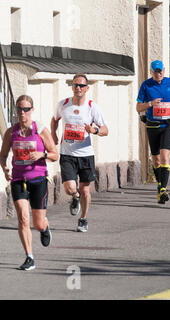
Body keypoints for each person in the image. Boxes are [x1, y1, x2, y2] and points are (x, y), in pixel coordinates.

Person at [1, 95, 58, 270]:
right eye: (19, 109)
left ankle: (44, 227)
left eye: (26, 109)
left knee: (37, 222)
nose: (22, 112)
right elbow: (2, 155)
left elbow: (55, 154)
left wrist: (42, 155)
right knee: (23, 219)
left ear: (32, 110)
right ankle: (29, 257)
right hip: (18, 180)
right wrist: (5, 169)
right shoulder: (11, 132)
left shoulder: (40, 130)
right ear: (16, 111)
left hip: (38, 180)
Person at [51, 74, 109, 232]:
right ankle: (75, 198)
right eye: (75, 85)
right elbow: (54, 120)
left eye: (81, 86)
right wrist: (54, 134)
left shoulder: (92, 107)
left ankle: (83, 219)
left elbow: (105, 130)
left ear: (87, 88)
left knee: (85, 190)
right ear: (72, 87)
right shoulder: (63, 104)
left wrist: (94, 130)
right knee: (70, 188)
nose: (78, 88)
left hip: (85, 154)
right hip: (67, 153)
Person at [136, 60, 170, 203]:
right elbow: (138, 107)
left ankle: (163, 189)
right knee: (156, 159)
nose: (159, 74)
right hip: (152, 125)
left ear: (164, 70)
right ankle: (160, 186)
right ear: (151, 72)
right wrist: (150, 104)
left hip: (167, 124)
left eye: (161, 71)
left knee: (165, 156)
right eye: (156, 71)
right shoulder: (146, 85)